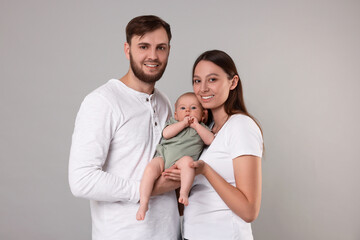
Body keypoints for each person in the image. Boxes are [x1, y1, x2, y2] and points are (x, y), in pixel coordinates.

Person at [68, 15, 181, 239]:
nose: (153, 55)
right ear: (127, 49)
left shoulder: (164, 102)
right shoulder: (102, 101)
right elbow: (81, 180)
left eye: (161, 47)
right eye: (143, 46)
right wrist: (145, 189)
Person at [179, 50, 264, 240]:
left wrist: (205, 170)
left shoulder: (241, 126)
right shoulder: (206, 131)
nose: (202, 89)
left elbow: (249, 210)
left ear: (233, 82)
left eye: (212, 80)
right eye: (197, 81)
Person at [136, 92, 214, 221]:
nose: (188, 111)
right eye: (182, 108)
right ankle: (144, 203)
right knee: (150, 170)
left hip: (180, 162)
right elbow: (166, 134)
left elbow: (210, 140)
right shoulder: (173, 123)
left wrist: (196, 125)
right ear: (176, 114)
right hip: (163, 156)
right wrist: (183, 124)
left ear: (203, 115)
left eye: (194, 108)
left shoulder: (202, 128)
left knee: (188, 163)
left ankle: (183, 192)